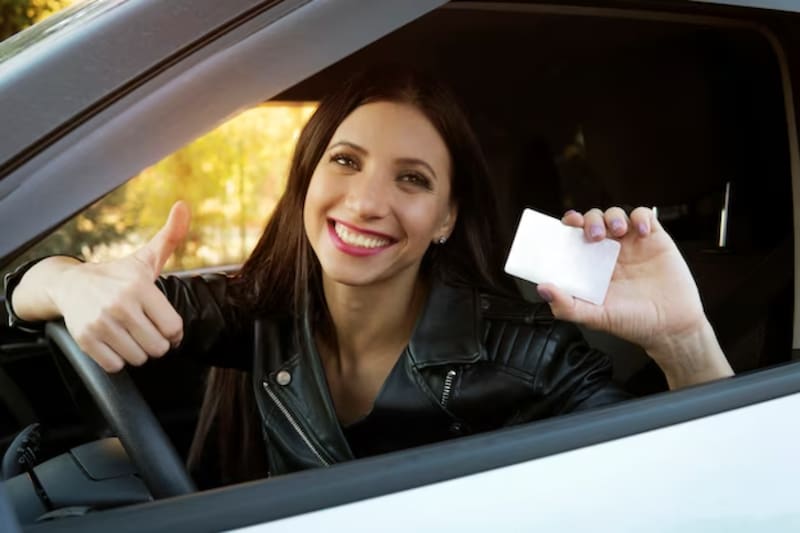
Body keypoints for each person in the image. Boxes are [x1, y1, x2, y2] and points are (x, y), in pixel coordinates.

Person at [4, 67, 733, 487]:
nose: (365, 202)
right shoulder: (262, 306)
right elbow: (18, 290)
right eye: (345, 161)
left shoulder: (524, 353)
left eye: (411, 179)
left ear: (446, 218)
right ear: (309, 176)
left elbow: (715, 478)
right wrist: (68, 277)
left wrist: (683, 337)